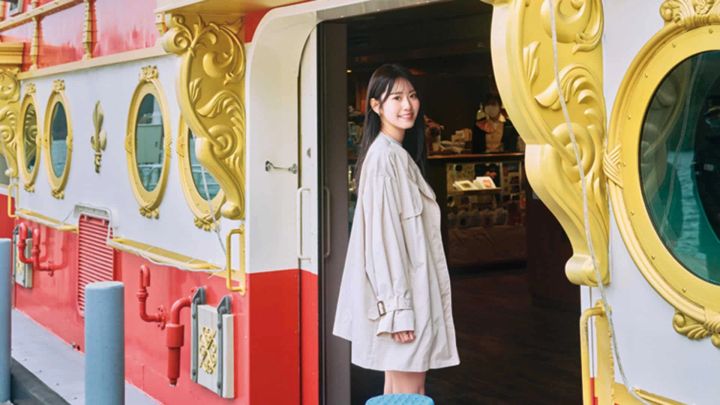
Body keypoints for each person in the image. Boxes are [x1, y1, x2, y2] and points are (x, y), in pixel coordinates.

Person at [333, 64, 460, 396]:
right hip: (404, 302)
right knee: (409, 390)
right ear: (376, 106)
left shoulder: (393, 155)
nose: (408, 105)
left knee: (398, 392)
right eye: (397, 98)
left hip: (407, 298)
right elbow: (383, 242)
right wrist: (398, 311)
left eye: (412, 96)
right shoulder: (385, 160)